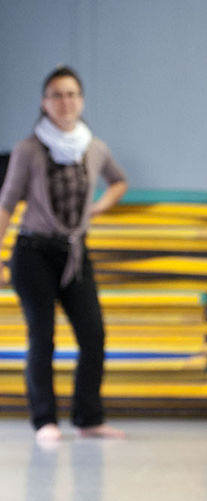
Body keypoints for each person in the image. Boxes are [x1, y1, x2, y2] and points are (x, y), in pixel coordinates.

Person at [0, 65, 129, 443]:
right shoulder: (28, 149)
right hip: (33, 253)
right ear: (44, 103)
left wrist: (98, 208)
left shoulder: (94, 147)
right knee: (42, 337)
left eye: (71, 94)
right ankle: (45, 420)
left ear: (81, 101)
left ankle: (89, 418)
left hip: (74, 254)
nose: (64, 101)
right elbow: (6, 203)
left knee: (94, 335)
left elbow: (119, 181)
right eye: (56, 95)